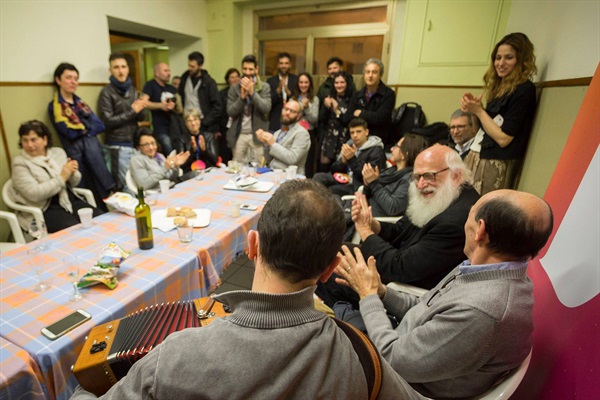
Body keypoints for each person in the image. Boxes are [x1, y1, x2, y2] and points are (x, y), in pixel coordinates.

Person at [70, 179, 425, 400]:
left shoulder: (178, 355)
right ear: (330, 269)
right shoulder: (360, 355)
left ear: (252, 246)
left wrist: (83, 389)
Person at [334, 189, 553, 399]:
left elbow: (392, 359)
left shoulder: (481, 312)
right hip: (403, 345)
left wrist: (368, 295)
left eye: (469, 214)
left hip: (399, 383)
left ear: (480, 230)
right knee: (338, 303)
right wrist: (381, 292)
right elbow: (427, 307)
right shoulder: (487, 270)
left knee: (323, 338)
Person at [316, 145, 480, 307]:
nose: (421, 184)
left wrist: (366, 232)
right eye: (417, 177)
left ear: (456, 175)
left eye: (429, 176)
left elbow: (400, 268)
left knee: (327, 271)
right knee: (328, 250)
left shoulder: (456, 220)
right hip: (398, 262)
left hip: (405, 291)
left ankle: (349, 325)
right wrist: (372, 224)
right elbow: (400, 230)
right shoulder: (444, 196)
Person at [461, 32, 538, 194]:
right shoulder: (499, 87)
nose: (501, 63)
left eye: (508, 57)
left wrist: (480, 111)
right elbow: (481, 130)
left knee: (483, 212)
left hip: (494, 163)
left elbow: (504, 139)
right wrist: (473, 110)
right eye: (498, 58)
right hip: (476, 155)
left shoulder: (524, 90)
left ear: (521, 60)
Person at [9, 120, 103, 233]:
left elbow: (73, 183)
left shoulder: (58, 153)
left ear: (45, 139)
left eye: (34, 140)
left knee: (100, 219)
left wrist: (72, 172)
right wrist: (62, 177)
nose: (29, 145)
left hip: (68, 199)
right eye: (25, 140)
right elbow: (34, 194)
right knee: (75, 230)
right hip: (43, 208)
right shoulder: (20, 163)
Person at [48, 63, 114, 209]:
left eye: (76, 78)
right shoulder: (55, 106)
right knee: (84, 194)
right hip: (75, 155)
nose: (73, 82)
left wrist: (83, 130)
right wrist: (87, 129)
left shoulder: (81, 103)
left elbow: (100, 126)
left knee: (101, 192)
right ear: (58, 80)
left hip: (92, 152)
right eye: (69, 78)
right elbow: (68, 133)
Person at [98, 53, 147, 192]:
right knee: (125, 187)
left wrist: (142, 107)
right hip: (117, 146)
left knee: (138, 185)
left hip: (133, 144)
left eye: (123, 67)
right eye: (116, 67)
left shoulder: (132, 90)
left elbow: (140, 117)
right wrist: (133, 111)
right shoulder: (106, 92)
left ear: (128, 69)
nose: (121, 71)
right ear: (111, 70)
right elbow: (107, 121)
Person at [313, 118, 386, 197]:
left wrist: (351, 159)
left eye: (358, 131)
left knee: (332, 190)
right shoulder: (350, 146)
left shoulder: (376, 151)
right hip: (345, 178)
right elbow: (333, 170)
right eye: (352, 132)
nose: (355, 135)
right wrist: (343, 162)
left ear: (366, 132)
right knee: (318, 177)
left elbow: (365, 177)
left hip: (358, 185)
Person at [362, 133, 429, 218]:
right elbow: (367, 196)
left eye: (396, 146)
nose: (391, 148)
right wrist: (368, 184)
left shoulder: (410, 179)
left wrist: (374, 183)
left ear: (405, 154)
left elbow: (393, 208)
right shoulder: (390, 171)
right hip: (365, 211)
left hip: (377, 222)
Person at [226, 54, 271, 165]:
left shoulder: (264, 87)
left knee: (259, 167)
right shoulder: (234, 88)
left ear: (256, 69)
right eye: (245, 68)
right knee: (236, 168)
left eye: (251, 69)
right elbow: (230, 111)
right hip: (239, 134)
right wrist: (241, 99)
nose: (247, 72)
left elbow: (266, 108)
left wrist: (252, 93)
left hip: (258, 135)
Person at [345, 58, 395, 144]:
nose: (370, 75)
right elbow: (347, 118)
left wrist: (361, 114)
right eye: (367, 72)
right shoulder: (357, 95)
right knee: (342, 155)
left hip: (378, 138)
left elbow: (380, 119)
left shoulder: (388, 94)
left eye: (374, 72)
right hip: (357, 138)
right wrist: (370, 116)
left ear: (380, 75)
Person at [256, 98, 310, 174]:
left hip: (291, 178)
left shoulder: (302, 133)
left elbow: (293, 158)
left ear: (298, 116)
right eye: (286, 109)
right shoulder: (277, 133)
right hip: (273, 173)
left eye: (292, 111)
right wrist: (266, 144)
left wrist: (273, 144)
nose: (287, 113)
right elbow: (269, 160)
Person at [178, 52, 222, 135]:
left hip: (204, 124)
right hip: (186, 123)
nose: (189, 68)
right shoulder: (184, 79)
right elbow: (180, 97)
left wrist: (205, 122)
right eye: (189, 65)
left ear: (200, 66)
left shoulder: (209, 82)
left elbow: (217, 107)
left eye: (192, 66)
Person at [318, 71, 355, 172]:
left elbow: (349, 121)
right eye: (336, 83)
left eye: (342, 82)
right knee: (323, 169)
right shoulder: (330, 97)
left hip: (345, 139)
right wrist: (326, 107)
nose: (339, 85)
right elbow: (322, 119)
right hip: (329, 139)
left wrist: (336, 110)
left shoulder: (353, 99)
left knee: (339, 171)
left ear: (347, 83)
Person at [141, 63, 177, 155]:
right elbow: (143, 102)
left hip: (174, 127)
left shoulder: (171, 88)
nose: (169, 73)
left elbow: (180, 108)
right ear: (156, 73)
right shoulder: (150, 85)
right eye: (165, 71)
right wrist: (160, 105)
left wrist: (173, 107)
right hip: (160, 128)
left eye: (169, 70)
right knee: (170, 151)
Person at [292, 72, 319, 177]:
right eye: (301, 82)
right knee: (295, 161)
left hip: (309, 133)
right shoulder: (293, 99)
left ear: (310, 84)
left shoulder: (315, 99)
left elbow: (314, 120)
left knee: (308, 164)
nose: (303, 85)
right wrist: (300, 108)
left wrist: (307, 108)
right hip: (294, 133)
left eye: (306, 82)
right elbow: (289, 119)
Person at [267, 52, 298, 132]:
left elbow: (298, 100)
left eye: (286, 63)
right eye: (281, 63)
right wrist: (278, 91)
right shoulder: (270, 81)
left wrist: (288, 92)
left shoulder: (296, 80)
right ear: (277, 65)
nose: (284, 66)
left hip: (292, 123)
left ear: (290, 65)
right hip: (275, 123)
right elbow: (268, 103)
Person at [218, 68, 241, 163]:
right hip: (225, 127)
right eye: (232, 77)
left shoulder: (243, 92)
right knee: (226, 152)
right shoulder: (222, 94)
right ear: (228, 79)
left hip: (240, 126)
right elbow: (219, 111)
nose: (235, 79)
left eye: (237, 77)